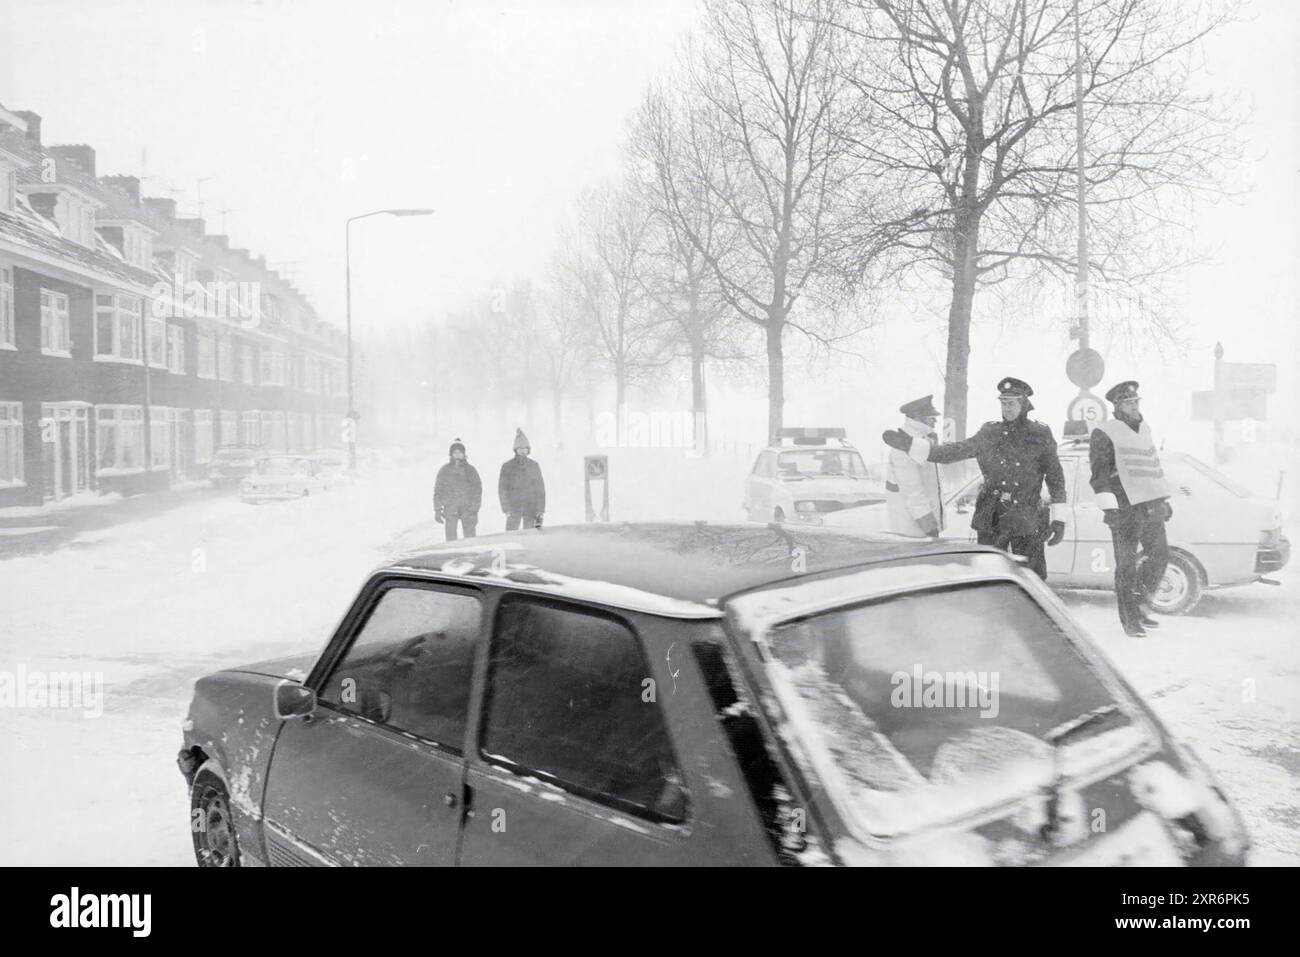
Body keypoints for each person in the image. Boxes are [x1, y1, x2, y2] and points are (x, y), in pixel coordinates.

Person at [883, 377, 1068, 579]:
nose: (1007, 409)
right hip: (992, 518)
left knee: (1032, 578)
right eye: (1003, 403)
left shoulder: (1040, 434)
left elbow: (1055, 477)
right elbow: (956, 451)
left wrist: (1059, 520)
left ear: (1024, 404)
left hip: (1027, 518)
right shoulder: (990, 432)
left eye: (1011, 403)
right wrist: (913, 445)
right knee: (989, 579)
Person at [1089, 380, 1173, 638]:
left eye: (1136, 401)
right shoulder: (1104, 432)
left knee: (1160, 557)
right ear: (1117, 406)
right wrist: (1110, 508)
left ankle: (1140, 606)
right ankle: (1129, 620)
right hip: (1124, 509)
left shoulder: (1145, 428)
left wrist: (1163, 499)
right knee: (1126, 566)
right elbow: (1099, 476)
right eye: (1128, 402)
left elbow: (1151, 467)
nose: (1134, 406)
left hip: (1150, 506)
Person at [884, 394, 944, 538]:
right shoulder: (903, 446)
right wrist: (930, 528)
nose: (935, 421)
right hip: (913, 530)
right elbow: (912, 492)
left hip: (921, 527)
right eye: (931, 417)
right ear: (917, 418)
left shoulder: (920, 441)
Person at [433, 438, 482, 541]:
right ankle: (452, 555)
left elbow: (477, 490)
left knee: (470, 538)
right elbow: (438, 490)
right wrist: (438, 509)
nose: (458, 454)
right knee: (451, 538)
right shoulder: (445, 470)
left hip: (467, 509)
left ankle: (471, 554)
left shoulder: (470, 470)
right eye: (455, 452)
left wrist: (475, 509)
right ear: (451, 454)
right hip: (450, 508)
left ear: (464, 454)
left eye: (460, 452)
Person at [499, 428, 545, 530]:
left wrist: (540, 509)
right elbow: (502, 489)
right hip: (513, 507)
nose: (523, 451)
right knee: (511, 535)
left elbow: (540, 489)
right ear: (515, 450)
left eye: (525, 448)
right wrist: (506, 509)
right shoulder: (507, 466)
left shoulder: (534, 465)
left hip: (530, 507)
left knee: (531, 536)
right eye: (520, 448)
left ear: (528, 450)